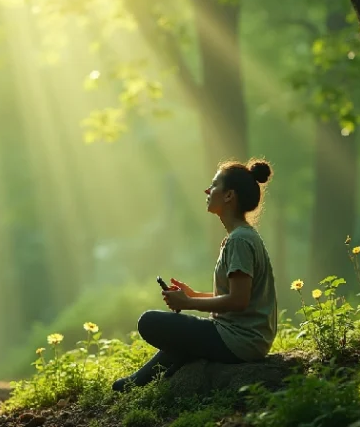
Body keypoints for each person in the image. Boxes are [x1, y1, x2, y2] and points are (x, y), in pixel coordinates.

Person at [112, 158, 277, 392]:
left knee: (149, 321)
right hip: (243, 338)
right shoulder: (240, 237)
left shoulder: (240, 240)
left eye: (214, 185)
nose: (207, 191)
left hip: (241, 341)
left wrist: (188, 303)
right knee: (183, 340)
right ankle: (135, 384)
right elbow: (236, 295)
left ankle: (136, 382)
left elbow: (239, 301)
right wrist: (195, 295)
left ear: (229, 196)